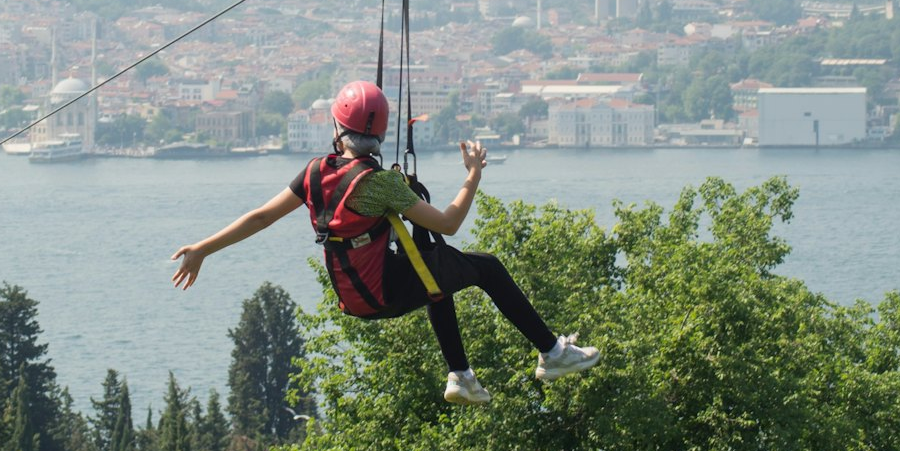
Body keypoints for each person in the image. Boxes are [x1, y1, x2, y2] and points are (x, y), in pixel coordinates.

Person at [171, 80, 600, 405]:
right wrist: (473, 175)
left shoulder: (315, 173)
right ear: (379, 134)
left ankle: (462, 375)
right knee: (485, 267)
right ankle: (550, 352)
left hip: (353, 297)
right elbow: (449, 221)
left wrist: (202, 249)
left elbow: (260, 217)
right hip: (384, 293)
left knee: (437, 266)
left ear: (337, 127)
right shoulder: (380, 185)